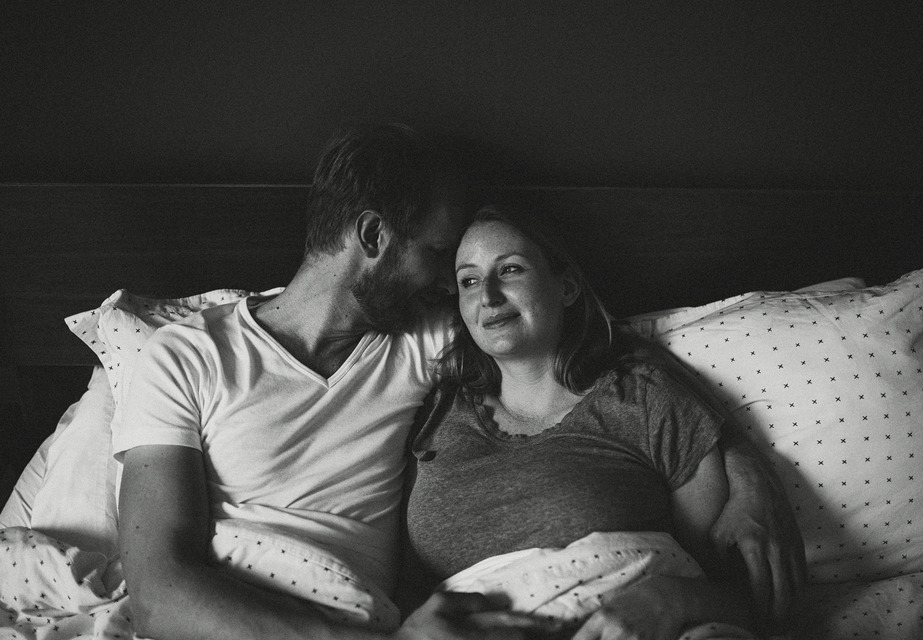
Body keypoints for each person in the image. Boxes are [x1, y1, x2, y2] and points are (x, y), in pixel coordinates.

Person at [115, 124, 801, 640]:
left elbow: (592, 349)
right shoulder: (186, 355)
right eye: (444, 255)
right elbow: (156, 592)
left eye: (479, 273)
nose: (458, 284)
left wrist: (743, 468)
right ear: (375, 236)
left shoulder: (426, 338)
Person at [400, 204, 799, 638]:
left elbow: (750, 596)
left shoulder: (642, 399)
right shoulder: (431, 412)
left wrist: (670, 599)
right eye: (469, 280)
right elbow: (398, 584)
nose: (488, 296)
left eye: (511, 270)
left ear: (566, 287)